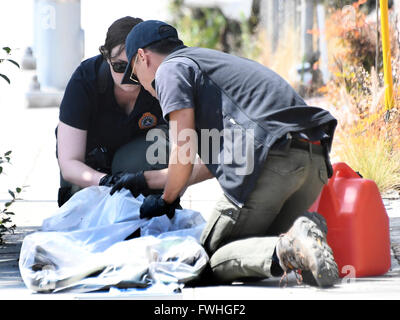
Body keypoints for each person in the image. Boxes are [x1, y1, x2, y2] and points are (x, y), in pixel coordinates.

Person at [114, 20, 340, 287]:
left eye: (133, 73)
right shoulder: (208, 66)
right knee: (248, 247)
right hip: (311, 162)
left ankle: (290, 244)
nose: (139, 82)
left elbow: (183, 149)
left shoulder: (170, 70)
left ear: (143, 56)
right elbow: (208, 165)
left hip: (272, 164)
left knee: (205, 261)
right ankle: (299, 233)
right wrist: (145, 180)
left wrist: (166, 200)